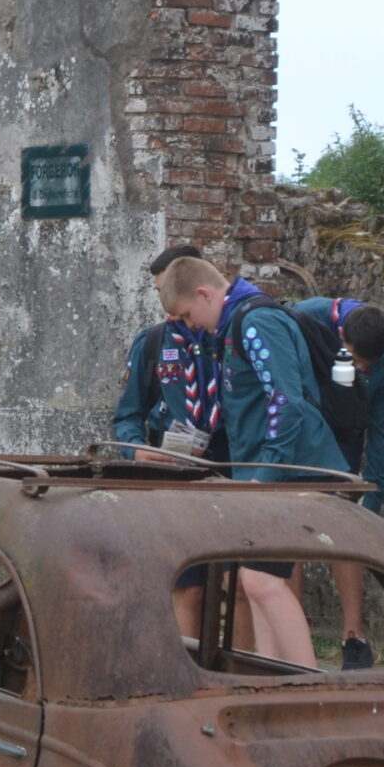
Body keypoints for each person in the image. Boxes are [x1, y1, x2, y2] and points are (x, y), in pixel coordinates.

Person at [158, 256, 350, 669]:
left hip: (293, 470)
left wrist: (265, 476)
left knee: (262, 581)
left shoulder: (255, 322)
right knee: (256, 579)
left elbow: (286, 401)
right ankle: (270, 677)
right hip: (270, 470)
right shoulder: (230, 328)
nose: (188, 326)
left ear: (205, 294)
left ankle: (306, 685)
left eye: (188, 315)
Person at [114, 244, 228, 640]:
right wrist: (135, 449)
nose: (167, 308)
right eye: (159, 295)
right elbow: (126, 414)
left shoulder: (231, 335)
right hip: (178, 478)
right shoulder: (153, 341)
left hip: (230, 473)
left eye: (171, 295)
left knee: (244, 585)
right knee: (188, 587)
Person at [293, 294, 384, 670]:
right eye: (353, 360)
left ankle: (354, 638)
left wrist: (371, 494)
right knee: (289, 533)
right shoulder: (304, 317)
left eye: (365, 366)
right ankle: (293, 636)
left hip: (345, 436)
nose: (358, 369)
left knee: (345, 532)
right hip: (299, 432)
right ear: (340, 335)